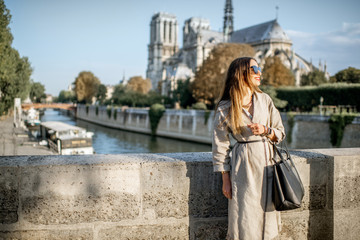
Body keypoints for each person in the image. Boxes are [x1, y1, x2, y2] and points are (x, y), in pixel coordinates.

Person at [212, 57, 286, 240]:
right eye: (254, 68)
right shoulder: (225, 107)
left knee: (267, 217)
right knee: (244, 216)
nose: (259, 72)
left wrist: (266, 130)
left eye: (259, 68)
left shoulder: (265, 99)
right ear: (241, 73)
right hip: (243, 167)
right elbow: (220, 145)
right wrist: (225, 178)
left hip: (268, 164)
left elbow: (281, 132)